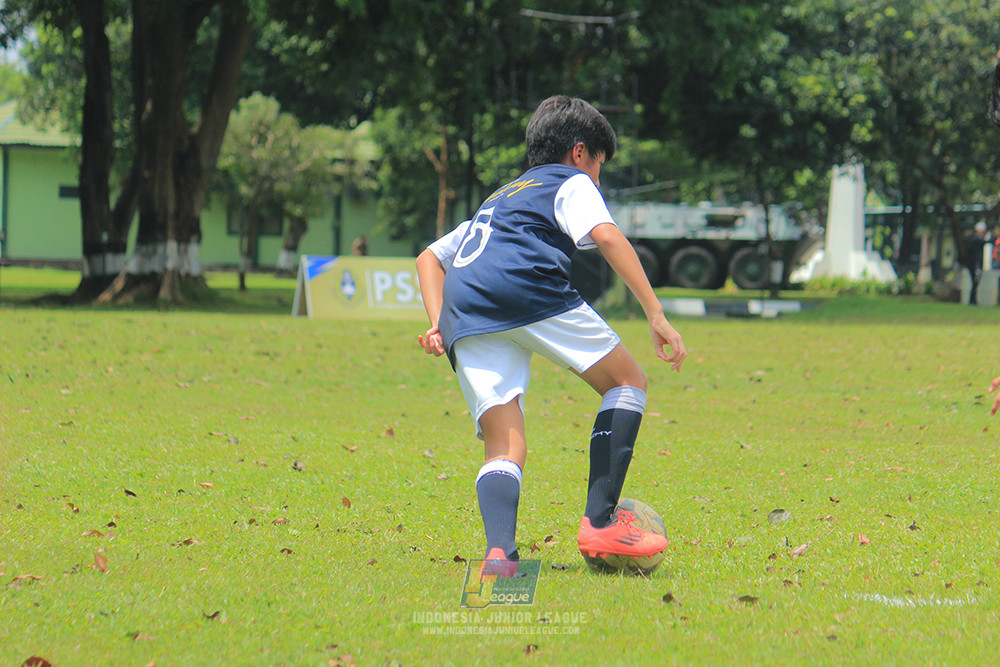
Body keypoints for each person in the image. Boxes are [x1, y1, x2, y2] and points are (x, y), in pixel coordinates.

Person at [415, 95, 686, 575]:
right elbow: (606, 236)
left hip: (466, 309)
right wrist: (656, 313)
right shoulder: (570, 181)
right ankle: (600, 521)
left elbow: (429, 258)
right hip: (525, 288)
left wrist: (438, 321)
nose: (597, 178)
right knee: (628, 382)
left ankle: (500, 557)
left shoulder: (500, 197)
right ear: (580, 152)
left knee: (504, 444)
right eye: (599, 165)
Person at [965, 222, 988, 305]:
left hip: (974, 264)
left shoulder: (973, 240)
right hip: (975, 264)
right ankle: (972, 300)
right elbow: (984, 241)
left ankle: (973, 300)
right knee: (975, 282)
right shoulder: (976, 240)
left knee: (975, 283)